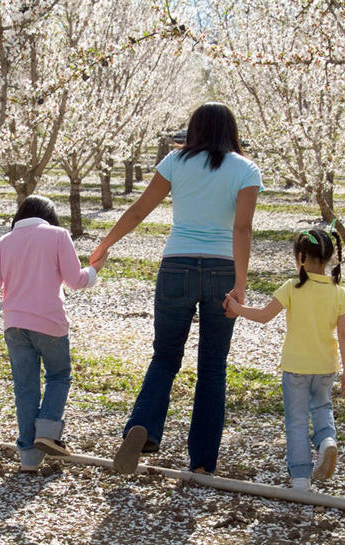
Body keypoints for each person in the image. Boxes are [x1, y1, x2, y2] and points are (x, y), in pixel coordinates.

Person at [90, 102, 262, 475]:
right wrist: (240, 285)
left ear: (195, 129)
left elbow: (139, 210)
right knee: (212, 367)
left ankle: (143, 426)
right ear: (231, 130)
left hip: (176, 266)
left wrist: (106, 243)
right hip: (221, 270)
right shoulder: (246, 169)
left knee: (165, 356)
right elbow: (242, 229)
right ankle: (202, 463)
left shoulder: (176, 161)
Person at [0, 195, 107, 471]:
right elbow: (75, 281)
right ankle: (47, 433)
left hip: (14, 324)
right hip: (49, 323)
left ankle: (29, 459)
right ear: (50, 216)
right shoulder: (58, 235)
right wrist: (95, 268)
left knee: (25, 389)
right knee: (59, 376)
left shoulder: (4, 243)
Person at [224, 225, 345, 491]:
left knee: (296, 421)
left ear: (301, 257)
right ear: (329, 259)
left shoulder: (292, 287)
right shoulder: (339, 293)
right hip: (325, 367)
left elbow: (263, 315)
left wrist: (237, 308)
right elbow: (344, 336)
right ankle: (327, 441)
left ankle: (300, 479)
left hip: (296, 367)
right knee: (322, 409)